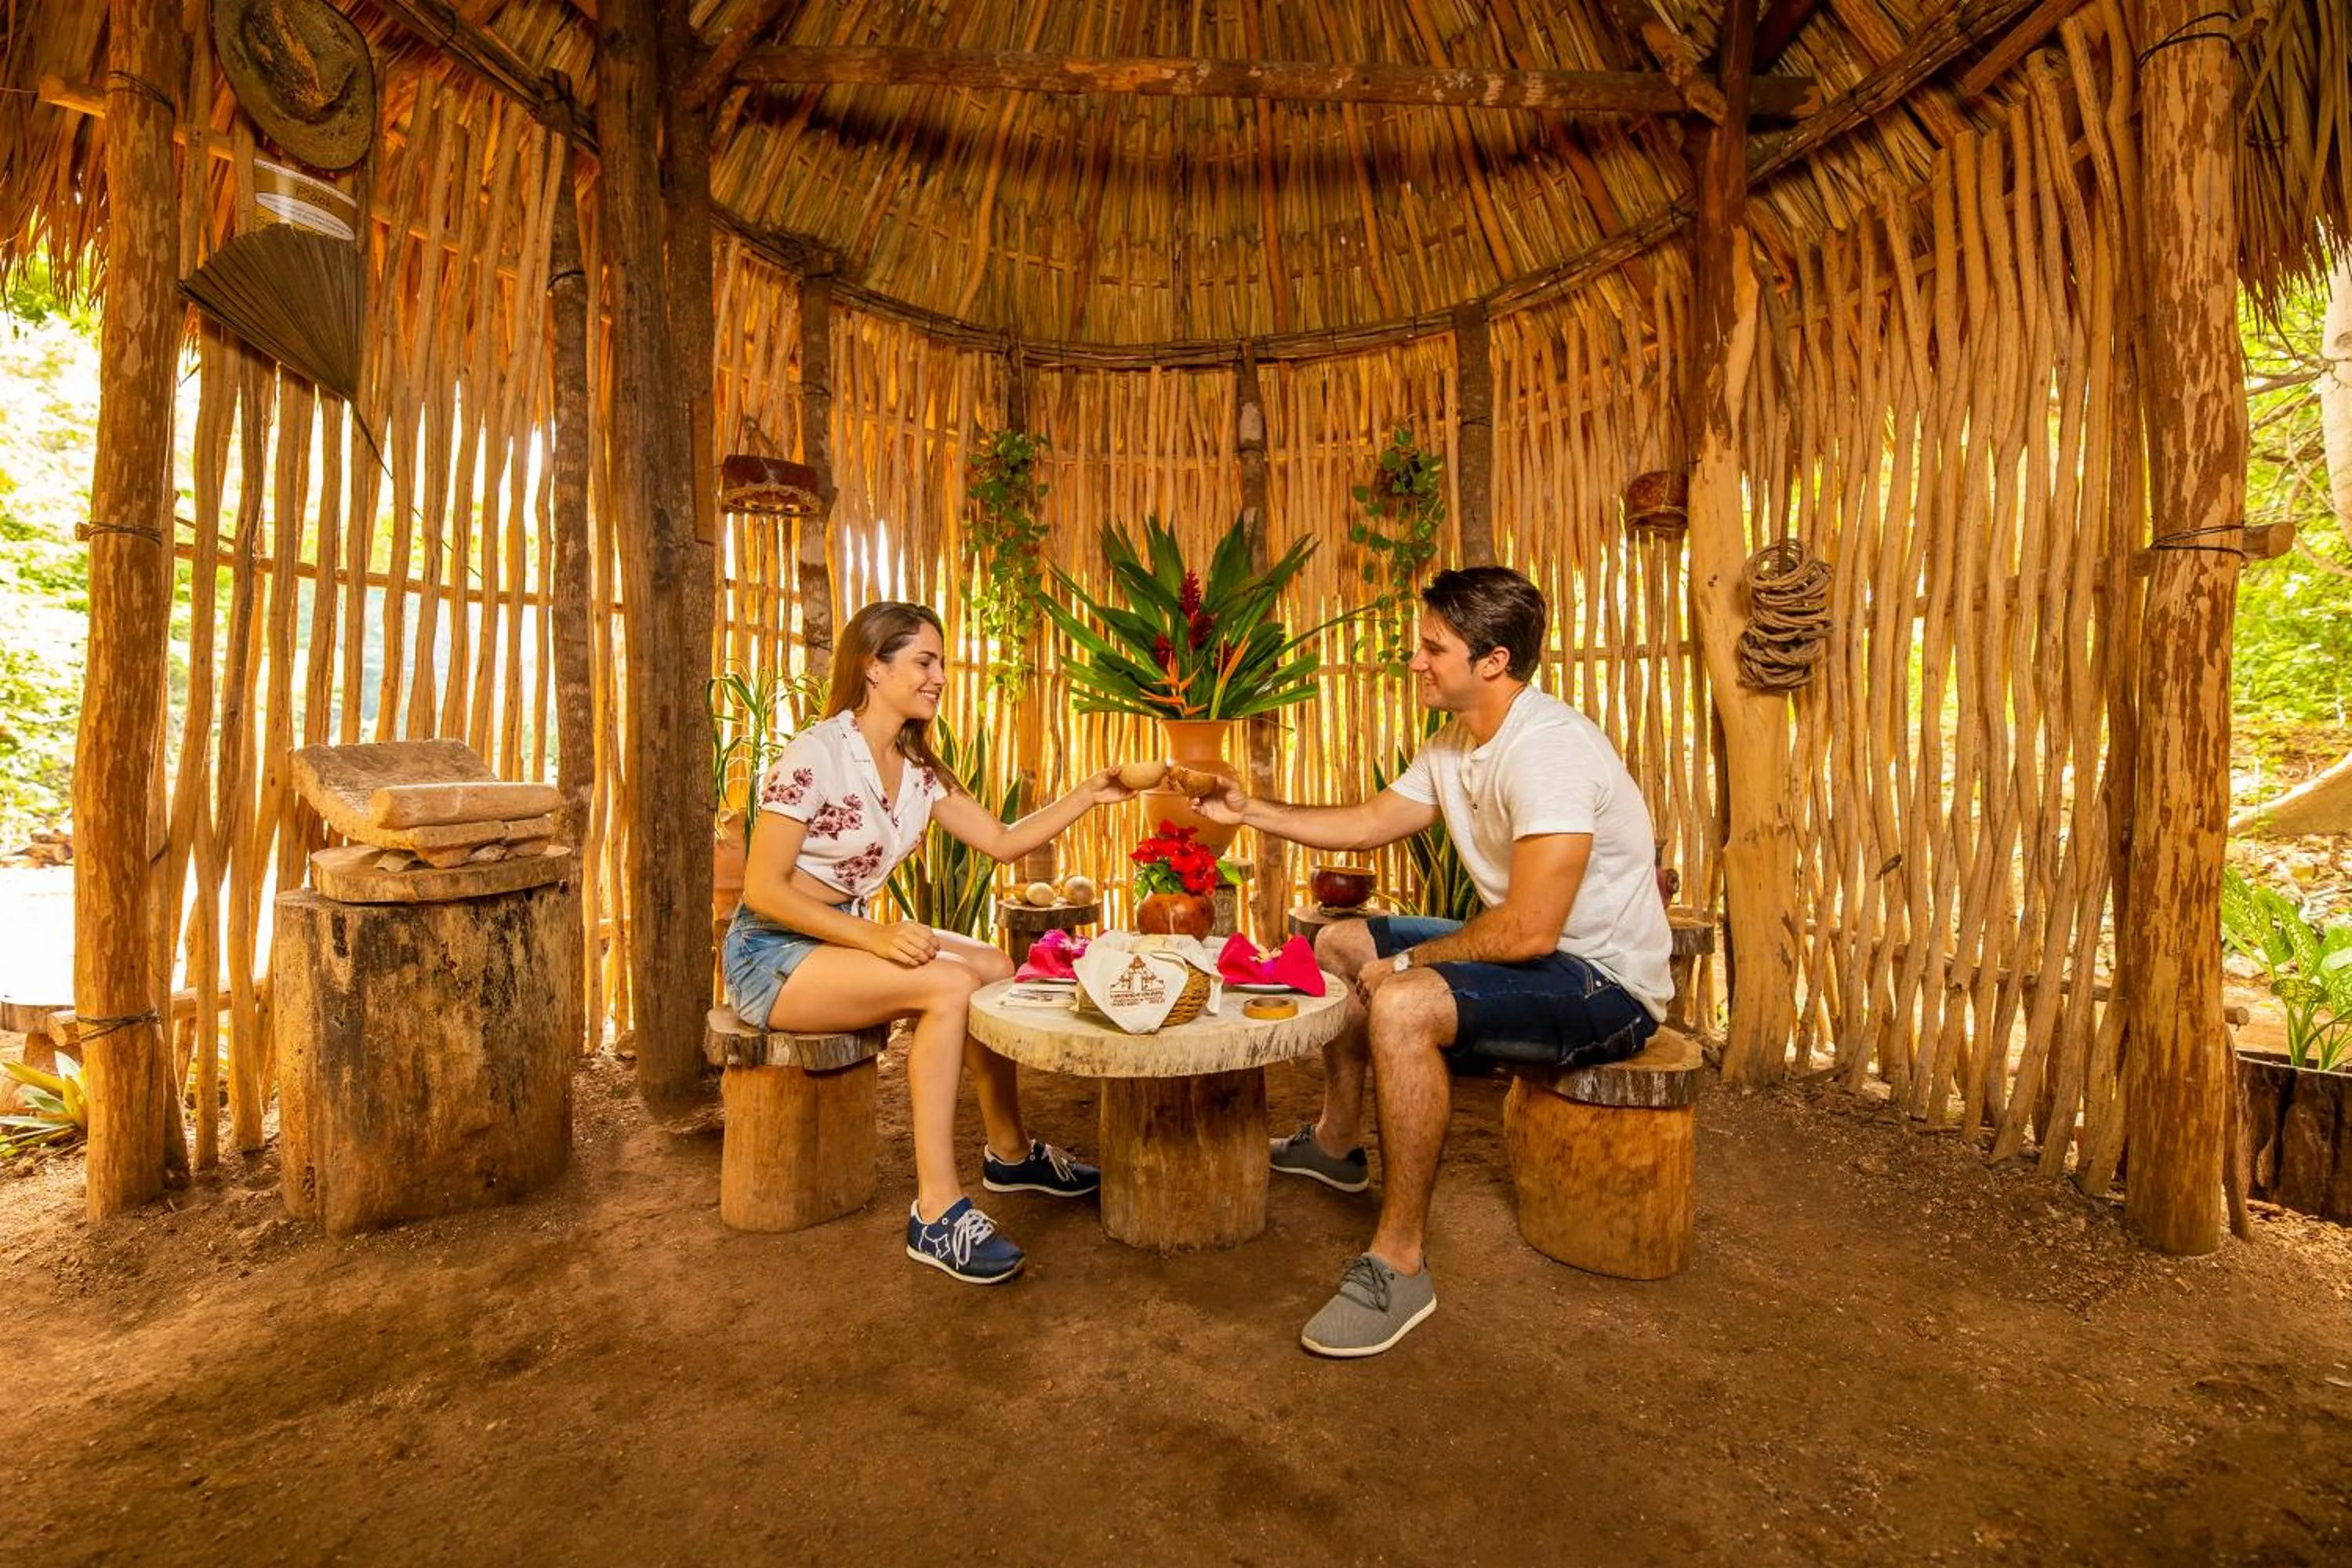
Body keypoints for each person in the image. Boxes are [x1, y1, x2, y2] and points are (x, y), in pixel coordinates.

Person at [1192, 566, 1673, 1356]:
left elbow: (1530, 932)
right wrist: (1249, 812)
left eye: (1433, 648)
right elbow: (1369, 821)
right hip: (1538, 951)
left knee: (1403, 1001)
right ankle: (1337, 1144)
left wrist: (1411, 962)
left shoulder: (1548, 751)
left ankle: (1399, 1261)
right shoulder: (1456, 743)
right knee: (1339, 941)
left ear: (1493, 660)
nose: (1415, 661)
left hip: (1602, 981)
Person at [723, 601, 1137, 1285]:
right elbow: (764, 890)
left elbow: (1002, 841)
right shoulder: (817, 754)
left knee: (993, 966)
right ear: (873, 668)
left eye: (940, 662)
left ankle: (1009, 1154)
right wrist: (875, 936)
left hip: (842, 937)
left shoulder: (916, 767)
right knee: (948, 985)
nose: (940, 676)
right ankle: (937, 1213)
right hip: (771, 952)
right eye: (924, 661)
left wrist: (1090, 794)